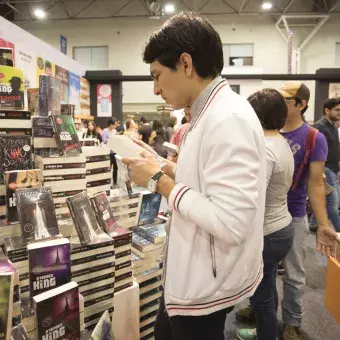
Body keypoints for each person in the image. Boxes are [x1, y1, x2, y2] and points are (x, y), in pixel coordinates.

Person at [122, 12, 267, 340]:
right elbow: (209, 180)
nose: (156, 89)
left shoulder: (227, 117)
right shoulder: (211, 112)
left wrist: (160, 180)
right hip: (191, 277)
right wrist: (164, 166)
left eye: (157, 76)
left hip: (204, 287)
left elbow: (231, 221)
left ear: (185, 64)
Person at [236, 82, 340, 340]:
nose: (279, 102)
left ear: (300, 104)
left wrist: (324, 223)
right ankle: (263, 313)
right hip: (271, 216)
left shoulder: (313, 137)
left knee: (293, 274)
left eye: (286, 98)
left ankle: (292, 322)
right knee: (266, 273)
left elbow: (316, 183)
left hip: (291, 214)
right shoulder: (274, 134)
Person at [236, 89, 294, 340]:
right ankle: (266, 330)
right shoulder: (279, 142)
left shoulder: (264, 150)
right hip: (282, 227)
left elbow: (253, 201)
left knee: (261, 299)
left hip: (268, 233)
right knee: (267, 286)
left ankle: (266, 334)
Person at [311, 98, 340, 232]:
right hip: (325, 169)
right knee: (333, 202)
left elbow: (335, 149)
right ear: (327, 110)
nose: (339, 113)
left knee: (324, 198)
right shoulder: (319, 127)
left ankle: (313, 223)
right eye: (337, 110)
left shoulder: (333, 126)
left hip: (333, 169)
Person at [102, 117, 120, 185]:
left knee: (116, 168)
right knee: (107, 169)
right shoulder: (105, 131)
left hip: (115, 152)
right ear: (110, 124)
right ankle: (106, 183)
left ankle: (115, 183)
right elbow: (104, 141)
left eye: (116, 125)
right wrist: (112, 137)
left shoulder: (114, 131)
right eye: (114, 125)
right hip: (108, 152)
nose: (115, 126)